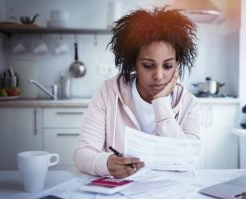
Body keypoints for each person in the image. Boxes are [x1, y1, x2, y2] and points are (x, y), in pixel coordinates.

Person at [74, 6, 200, 179]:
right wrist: (106, 164)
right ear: (133, 63)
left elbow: (189, 161)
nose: (159, 76)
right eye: (148, 65)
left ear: (177, 65)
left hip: (167, 194)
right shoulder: (108, 92)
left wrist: (161, 103)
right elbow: (82, 155)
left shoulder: (188, 103)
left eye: (168, 66)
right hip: (120, 194)